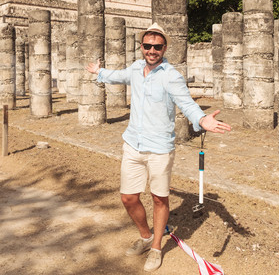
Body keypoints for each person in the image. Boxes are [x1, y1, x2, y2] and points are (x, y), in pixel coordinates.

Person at [85, 23, 231, 272]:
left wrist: (202, 119)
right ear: (142, 47)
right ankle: (145, 236)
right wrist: (100, 72)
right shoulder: (135, 68)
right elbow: (118, 75)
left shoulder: (171, 75)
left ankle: (156, 247)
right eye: (148, 45)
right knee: (128, 197)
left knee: (159, 198)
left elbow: (187, 103)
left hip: (160, 148)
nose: (152, 50)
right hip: (133, 144)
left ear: (164, 48)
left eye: (157, 46)